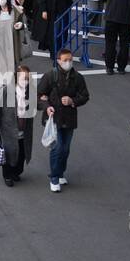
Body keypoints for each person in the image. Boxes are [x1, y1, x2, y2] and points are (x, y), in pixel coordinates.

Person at [38, 47, 89, 192]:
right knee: (57, 147)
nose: (68, 62)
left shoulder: (78, 78)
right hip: (54, 118)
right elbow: (40, 95)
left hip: (70, 118)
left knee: (65, 149)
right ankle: (54, 177)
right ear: (58, 61)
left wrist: (72, 101)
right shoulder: (50, 76)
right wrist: (47, 106)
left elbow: (85, 96)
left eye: (70, 60)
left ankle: (60, 173)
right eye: (65, 60)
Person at [0, 65, 36, 186]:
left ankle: (16, 172)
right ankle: (7, 176)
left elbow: (37, 103)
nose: (25, 81)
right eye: (23, 78)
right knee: (9, 154)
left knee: (22, 154)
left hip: (24, 130)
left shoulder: (30, 91)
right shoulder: (6, 91)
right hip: (8, 130)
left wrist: (46, 105)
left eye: (27, 78)